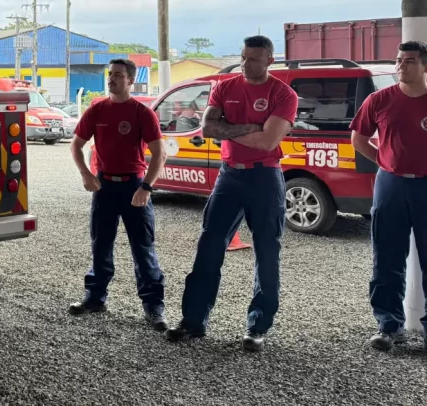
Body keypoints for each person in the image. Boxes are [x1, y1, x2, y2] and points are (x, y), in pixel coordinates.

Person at [165, 35, 298, 352]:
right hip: (229, 177)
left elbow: (269, 143)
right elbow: (209, 129)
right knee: (209, 245)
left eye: (253, 58)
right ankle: (193, 322)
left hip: (265, 177)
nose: (246, 63)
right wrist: (252, 127)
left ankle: (257, 327)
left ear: (269, 60)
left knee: (267, 252)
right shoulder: (224, 86)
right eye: (243, 57)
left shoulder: (283, 94)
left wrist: (234, 129)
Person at [68, 59, 169, 330]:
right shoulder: (97, 109)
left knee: (143, 248)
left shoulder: (142, 113)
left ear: (131, 81)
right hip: (104, 187)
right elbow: (76, 145)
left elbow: (160, 153)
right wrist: (86, 175)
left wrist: (145, 188)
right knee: (101, 244)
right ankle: (95, 298)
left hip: (134, 186)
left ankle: (154, 308)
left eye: (118, 75)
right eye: (110, 75)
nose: (112, 79)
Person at [350, 40, 427, 351]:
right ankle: (387, 325)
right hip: (391, 185)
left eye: (409, 61)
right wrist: (384, 160)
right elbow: (358, 138)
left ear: (424, 66)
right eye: (399, 60)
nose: (402, 66)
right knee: (387, 256)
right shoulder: (379, 99)